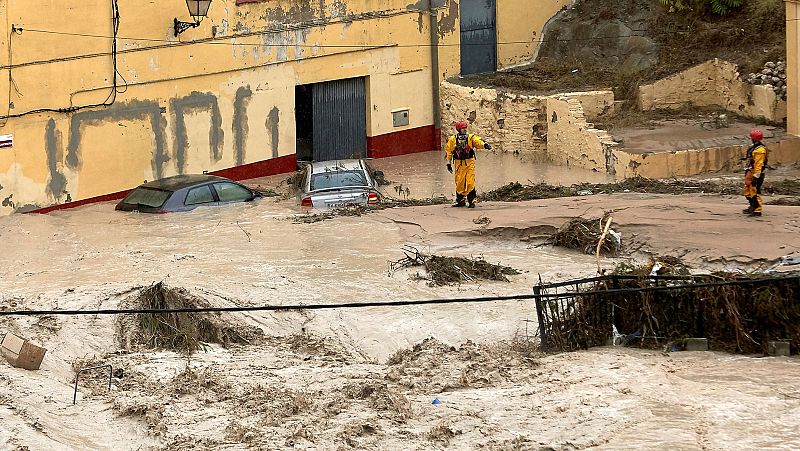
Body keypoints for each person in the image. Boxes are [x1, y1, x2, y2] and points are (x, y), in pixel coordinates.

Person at [445, 120, 491, 208]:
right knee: (459, 182)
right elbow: (449, 152)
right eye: (463, 128)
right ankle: (460, 200)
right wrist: (448, 164)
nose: (465, 129)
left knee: (470, 181)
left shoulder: (470, 137)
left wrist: (484, 145)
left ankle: (471, 201)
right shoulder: (453, 139)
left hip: (469, 162)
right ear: (458, 129)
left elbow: (477, 141)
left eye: (465, 128)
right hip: (459, 164)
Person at [742, 129, 768, 217]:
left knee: (754, 190)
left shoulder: (760, 150)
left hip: (756, 172)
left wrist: (756, 176)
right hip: (750, 170)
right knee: (747, 189)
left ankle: (757, 210)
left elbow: (758, 164)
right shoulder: (754, 147)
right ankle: (752, 206)